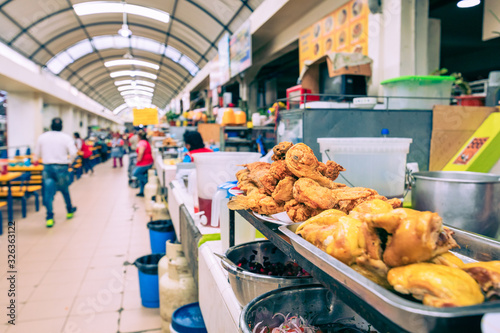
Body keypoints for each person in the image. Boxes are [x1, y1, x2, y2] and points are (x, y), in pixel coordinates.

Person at [34, 117, 77, 228]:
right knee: (64, 190)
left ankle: (49, 217)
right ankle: (69, 210)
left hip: (47, 168)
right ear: (61, 126)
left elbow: (36, 155)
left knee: (48, 193)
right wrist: (69, 162)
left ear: (51, 125)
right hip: (61, 167)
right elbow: (74, 153)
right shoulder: (66, 138)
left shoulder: (42, 137)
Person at [132, 131, 154, 197]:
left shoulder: (142, 142)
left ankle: (146, 181)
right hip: (148, 161)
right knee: (141, 175)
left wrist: (138, 159)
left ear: (139, 137)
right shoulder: (146, 142)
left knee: (135, 173)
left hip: (145, 162)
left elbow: (141, 152)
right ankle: (142, 191)